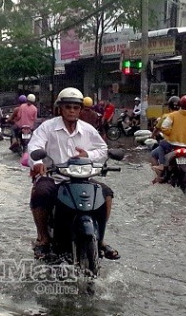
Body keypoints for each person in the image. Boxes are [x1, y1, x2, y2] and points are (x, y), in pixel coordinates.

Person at [27, 87, 120, 260]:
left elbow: (102, 149)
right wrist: (39, 163)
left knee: (106, 193)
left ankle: (100, 239)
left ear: (80, 109)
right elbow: (35, 146)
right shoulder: (48, 127)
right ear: (60, 108)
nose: (71, 110)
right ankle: (43, 238)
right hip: (54, 178)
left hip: (82, 179)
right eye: (67, 106)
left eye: (75, 107)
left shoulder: (88, 129)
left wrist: (88, 155)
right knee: (39, 192)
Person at [152, 95, 186, 179]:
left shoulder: (173, 115)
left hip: (172, 143)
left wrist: (170, 133)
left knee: (162, 144)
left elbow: (164, 127)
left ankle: (161, 165)